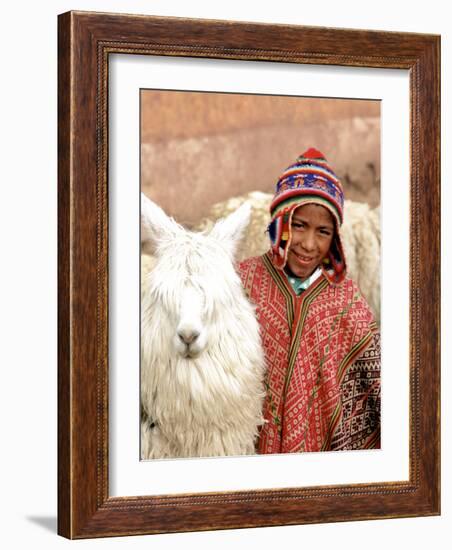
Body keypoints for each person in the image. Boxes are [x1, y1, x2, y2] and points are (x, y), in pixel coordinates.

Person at [239, 148, 380, 454]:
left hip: (319, 460)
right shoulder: (243, 282)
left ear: (335, 239)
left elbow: (377, 384)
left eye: (323, 231)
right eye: (299, 225)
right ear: (280, 222)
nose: (308, 244)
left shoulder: (346, 301)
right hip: (247, 451)